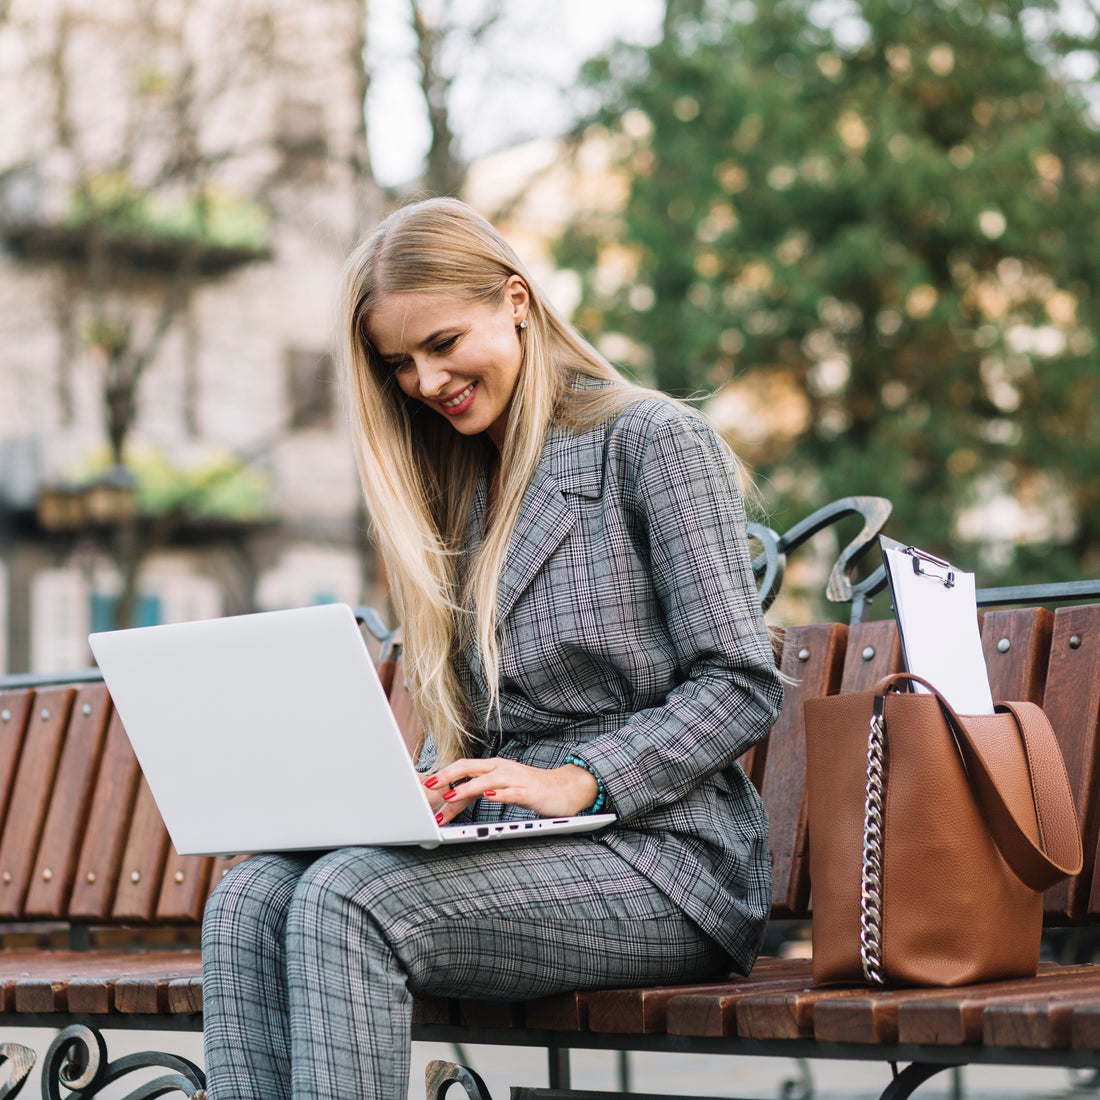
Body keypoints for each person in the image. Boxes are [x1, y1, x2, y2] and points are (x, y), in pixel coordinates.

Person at [200, 197, 783, 1099]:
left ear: (515, 299)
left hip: (664, 856)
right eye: (399, 363)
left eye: (441, 344)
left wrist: (582, 779)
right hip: (509, 844)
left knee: (350, 898)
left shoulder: (651, 441)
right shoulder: (451, 484)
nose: (426, 382)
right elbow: (465, 720)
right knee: (248, 900)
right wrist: (418, 795)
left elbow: (741, 681)